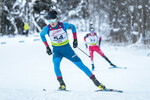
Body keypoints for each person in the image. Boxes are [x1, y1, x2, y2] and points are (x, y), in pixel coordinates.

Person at [40, 10, 106, 91]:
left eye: (53, 20)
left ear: (57, 19)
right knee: (56, 65)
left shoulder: (63, 25)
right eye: (50, 21)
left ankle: (96, 82)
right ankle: (62, 84)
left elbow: (73, 27)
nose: (52, 22)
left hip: (67, 49)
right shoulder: (47, 28)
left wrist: (75, 40)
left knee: (81, 65)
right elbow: (41, 35)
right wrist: (47, 47)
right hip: (57, 51)